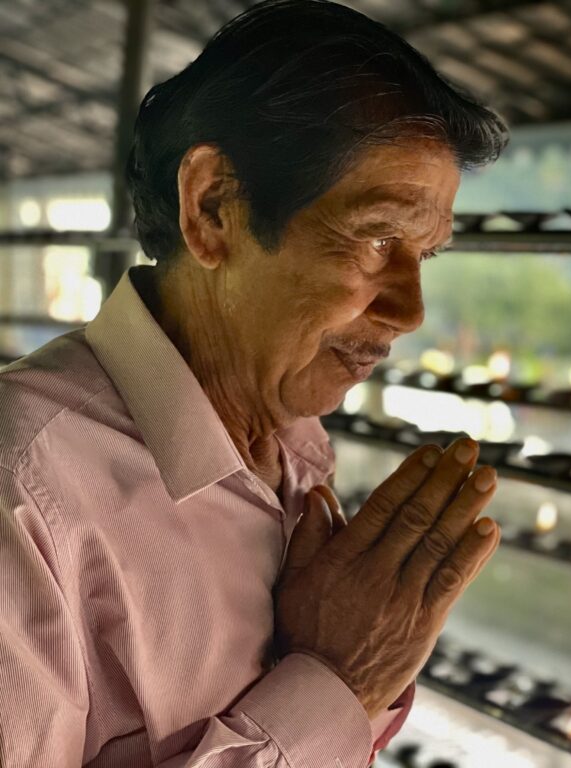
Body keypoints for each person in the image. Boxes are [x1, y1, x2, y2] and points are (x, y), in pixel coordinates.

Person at [0, 1, 508, 765]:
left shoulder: (297, 446)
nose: (410, 311)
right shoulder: (24, 495)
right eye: (376, 238)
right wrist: (338, 683)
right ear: (213, 209)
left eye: (423, 254)